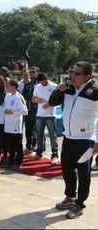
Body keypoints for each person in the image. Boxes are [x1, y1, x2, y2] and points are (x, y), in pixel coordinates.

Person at [49, 61, 98, 219]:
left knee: (84, 174)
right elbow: (52, 103)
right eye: (72, 72)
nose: (72, 76)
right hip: (68, 137)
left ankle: (79, 204)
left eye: (77, 73)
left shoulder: (94, 92)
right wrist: (58, 91)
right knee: (67, 170)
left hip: (85, 139)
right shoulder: (67, 89)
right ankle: (70, 197)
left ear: (86, 77)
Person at [29, 73, 59, 165]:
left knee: (52, 136)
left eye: (43, 81)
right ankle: (39, 153)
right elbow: (33, 99)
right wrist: (36, 100)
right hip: (39, 114)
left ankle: (55, 155)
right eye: (40, 81)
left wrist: (49, 103)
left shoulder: (54, 86)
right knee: (39, 136)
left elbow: (58, 100)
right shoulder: (37, 86)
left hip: (50, 115)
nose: (42, 83)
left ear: (47, 79)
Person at [4, 80, 28, 169]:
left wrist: (12, 112)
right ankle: (11, 160)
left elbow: (25, 111)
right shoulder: (7, 96)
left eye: (9, 86)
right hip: (8, 125)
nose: (7, 88)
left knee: (17, 144)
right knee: (10, 144)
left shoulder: (19, 97)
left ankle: (19, 161)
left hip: (16, 125)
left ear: (14, 87)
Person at [22, 66, 40, 154]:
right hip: (28, 110)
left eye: (34, 72)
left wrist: (31, 97)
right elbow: (24, 95)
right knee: (28, 129)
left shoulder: (39, 84)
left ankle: (35, 144)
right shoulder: (27, 84)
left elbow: (38, 96)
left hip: (36, 110)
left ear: (37, 73)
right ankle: (28, 146)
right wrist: (31, 97)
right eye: (31, 72)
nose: (32, 73)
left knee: (36, 129)